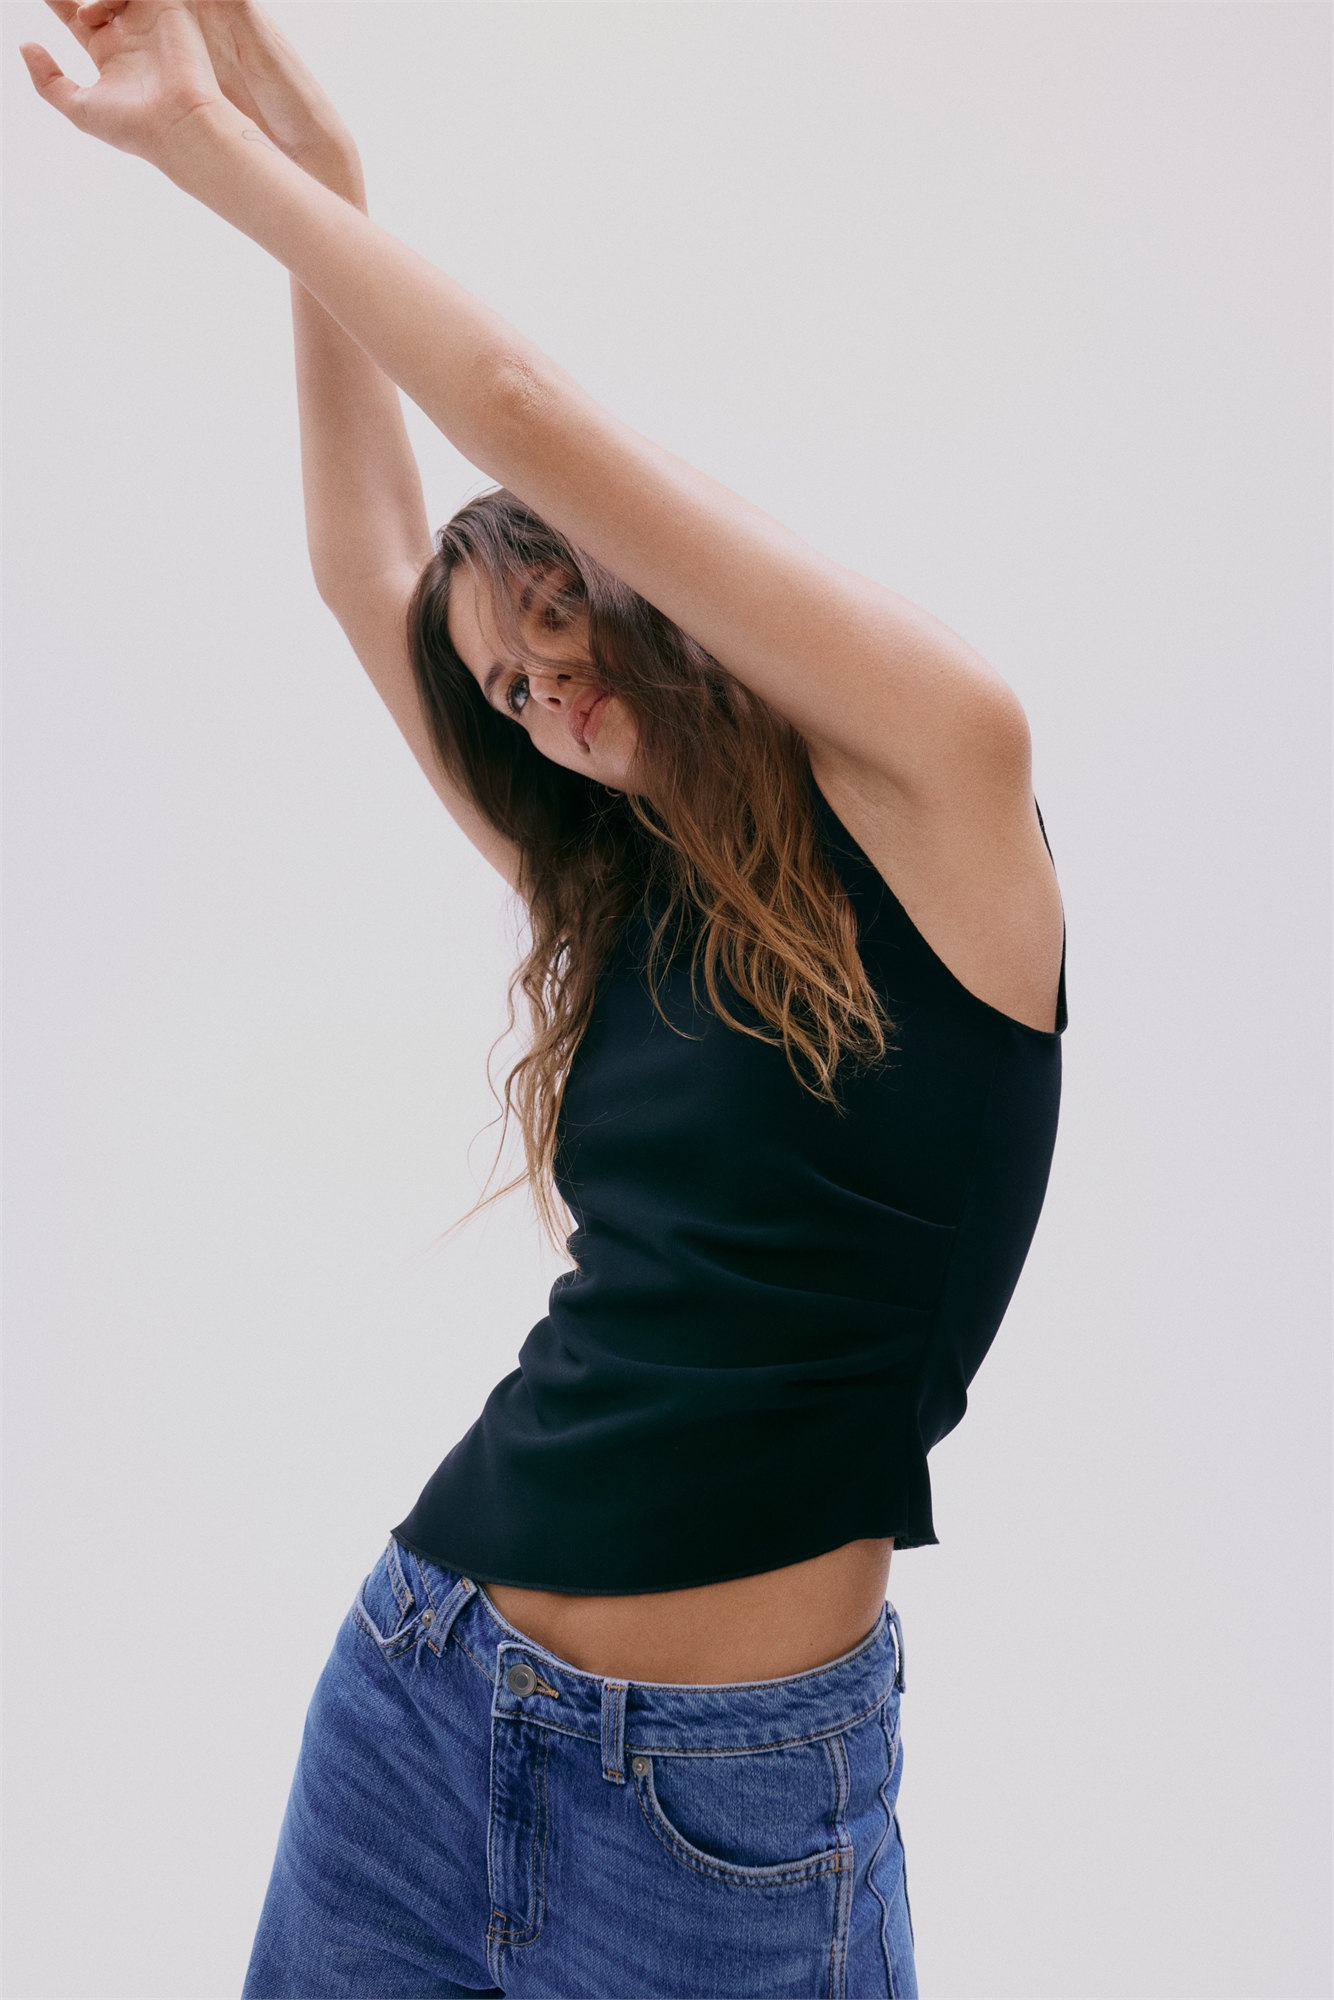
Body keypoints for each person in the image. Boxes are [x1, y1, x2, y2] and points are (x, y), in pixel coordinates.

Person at [22, 4, 1067, 1994]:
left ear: (641, 577)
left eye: (560, 618)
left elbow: (515, 411)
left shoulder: (951, 781)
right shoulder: (617, 896)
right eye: (505, 687)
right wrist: (320, 189)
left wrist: (230, 160)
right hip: (422, 1694)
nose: (542, 695)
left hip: (726, 1804)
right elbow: (365, 563)